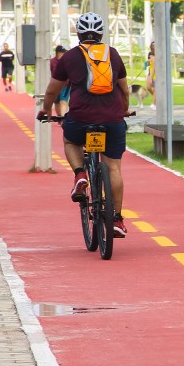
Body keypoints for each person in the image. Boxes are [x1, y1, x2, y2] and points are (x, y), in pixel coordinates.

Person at [38, 12, 131, 238]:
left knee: (70, 139)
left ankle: (80, 174)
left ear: (78, 32)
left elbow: (53, 90)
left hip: (81, 119)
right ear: (100, 33)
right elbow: (124, 89)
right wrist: (123, 109)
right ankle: (117, 219)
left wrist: (46, 110)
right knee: (114, 167)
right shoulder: (113, 55)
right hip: (112, 121)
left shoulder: (69, 57)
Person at [49, 44, 70, 116]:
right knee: (57, 103)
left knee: (64, 101)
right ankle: (59, 116)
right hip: (56, 86)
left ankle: (63, 118)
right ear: (57, 53)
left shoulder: (68, 61)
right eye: (62, 52)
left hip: (66, 85)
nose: (63, 54)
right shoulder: (52, 62)